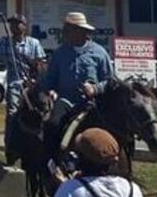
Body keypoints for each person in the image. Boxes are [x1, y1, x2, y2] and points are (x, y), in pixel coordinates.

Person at [39, 12, 113, 164]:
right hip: (66, 101)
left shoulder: (100, 53)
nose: (66, 33)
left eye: (69, 29)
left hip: (92, 104)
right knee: (52, 125)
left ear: (83, 32)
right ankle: (50, 164)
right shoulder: (60, 54)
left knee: (112, 128)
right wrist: (43, 88)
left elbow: (110, 81)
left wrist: (95, 89)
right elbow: (50, 81)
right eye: (66, 30)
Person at [0, 13, 47, 153]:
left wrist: (35, 72)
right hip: (15, 84)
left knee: (42, 111)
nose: (14, 26)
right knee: (12, 113)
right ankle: (10, 145)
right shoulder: (4, 42)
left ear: (24, 26)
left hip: (32, 83)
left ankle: (40, 142)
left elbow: (42, 64)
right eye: (12, 23)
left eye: (17, 23)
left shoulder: (34, 43)